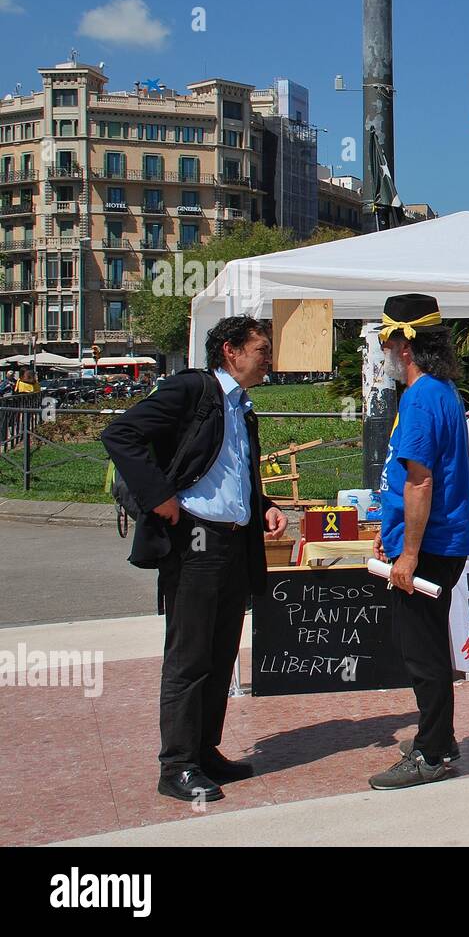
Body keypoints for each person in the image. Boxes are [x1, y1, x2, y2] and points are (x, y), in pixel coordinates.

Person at [101, 316, 287, 805]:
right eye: (261, 349)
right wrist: (157, 495)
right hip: (194, 542)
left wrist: (263, 505)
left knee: (221, 652)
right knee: (189, 657)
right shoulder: (192, 390)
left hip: (233, 542)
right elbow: (120, 434)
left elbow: (232, 473)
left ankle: (205, 751)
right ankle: (177, 765)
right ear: (230, 350)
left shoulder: (241, 408)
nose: (268, 359)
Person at [369, 294, 469, 791]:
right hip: (438, 541)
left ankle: (432, 754)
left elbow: (420, 482)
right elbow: (410, 484)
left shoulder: (419, 397)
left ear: (405, 345)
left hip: (430, 546)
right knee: (430, 645)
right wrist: (390, 532)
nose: (385, 352)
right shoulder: (442, 392)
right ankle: (441, 740)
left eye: (386, 341)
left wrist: (408, 553)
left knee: (422, 653)